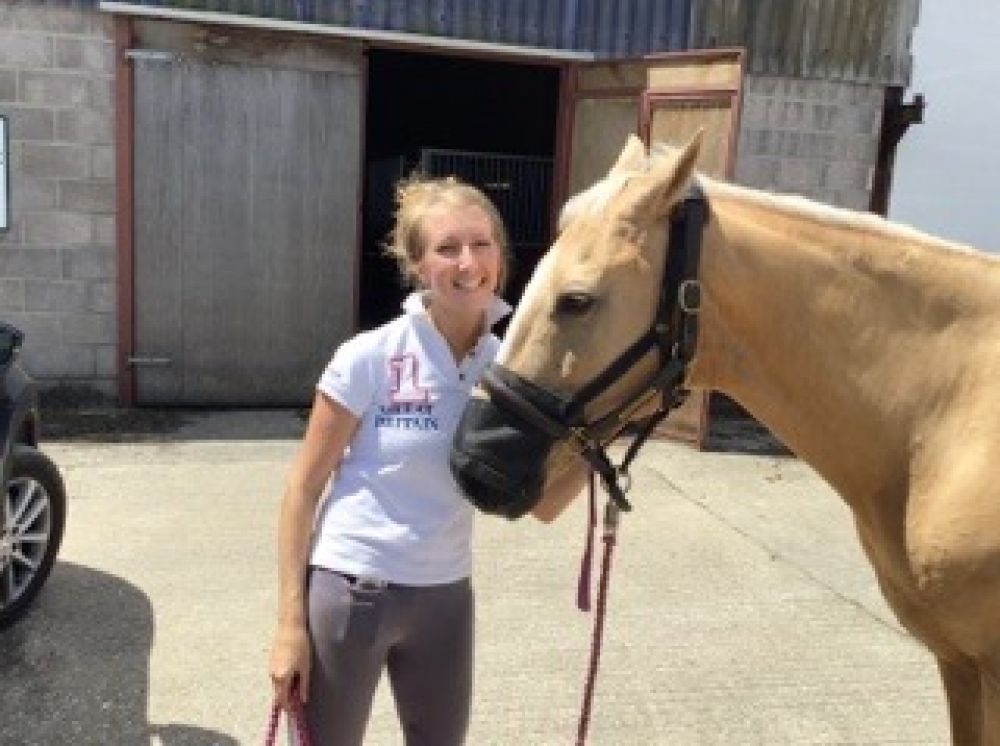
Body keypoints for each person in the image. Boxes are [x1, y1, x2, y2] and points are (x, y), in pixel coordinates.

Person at [268, 175, 511, 746]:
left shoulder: (510, 366)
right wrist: (288, 625)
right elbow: (302, 489)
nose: (467, 261)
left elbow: (539, 497)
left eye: (481, 244)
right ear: (419, 265)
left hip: (447, 596)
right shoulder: (370, 357)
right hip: (354, 590)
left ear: (499, 256)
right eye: (447, 248)